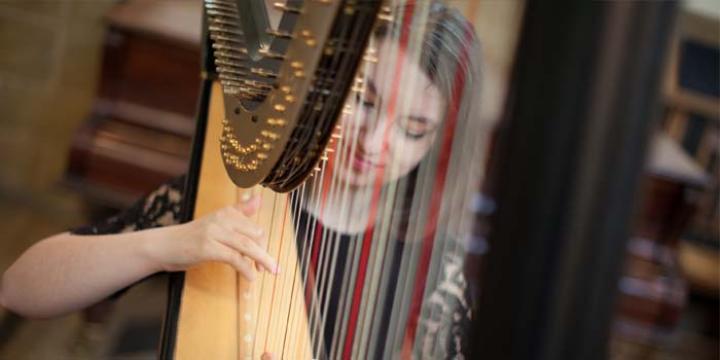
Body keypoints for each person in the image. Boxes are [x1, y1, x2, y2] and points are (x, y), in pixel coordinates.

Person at [1, 1, 482, 358]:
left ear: (438, 144)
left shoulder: (438, 265)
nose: (374, 141)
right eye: (367, 102)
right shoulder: (239, 201)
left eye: (413, 129)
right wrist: (165, 244)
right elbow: (19, 288)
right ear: (331, 89)